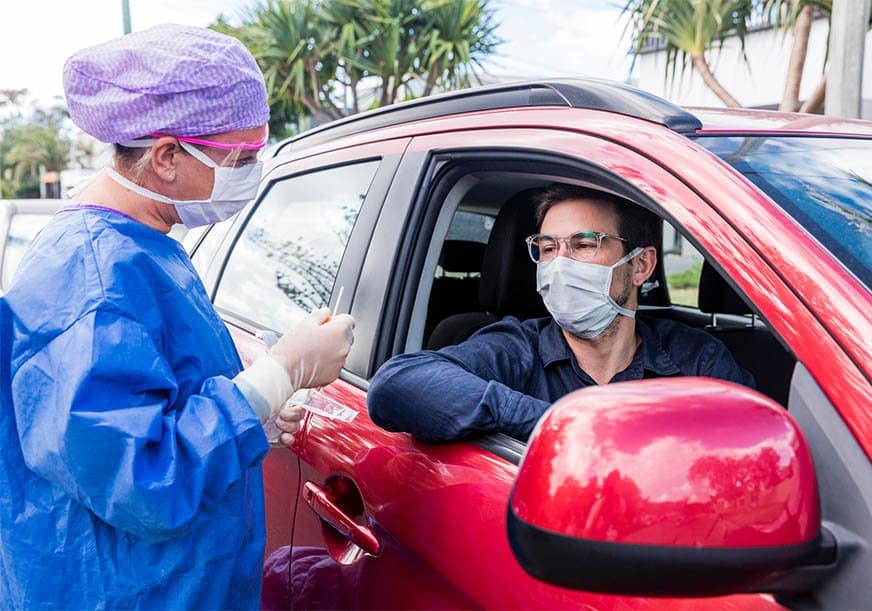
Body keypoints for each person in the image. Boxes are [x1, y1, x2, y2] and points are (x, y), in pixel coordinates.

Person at [0, 24, 353, 609]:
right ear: (166, 156)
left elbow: (147, 406)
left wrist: (250, 416)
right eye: (239, 157)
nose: (250, 172)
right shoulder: (89, 275)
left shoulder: (144, 244)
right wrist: (277, 377)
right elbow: (137, 480)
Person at [367, 184, 754, 442]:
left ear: (641, 266)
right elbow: (395, 384)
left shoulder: (697, 359)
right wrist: (557, 423)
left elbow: (750, 449)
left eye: (584, 245)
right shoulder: (517, 347)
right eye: (548, 248)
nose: (560, 265)